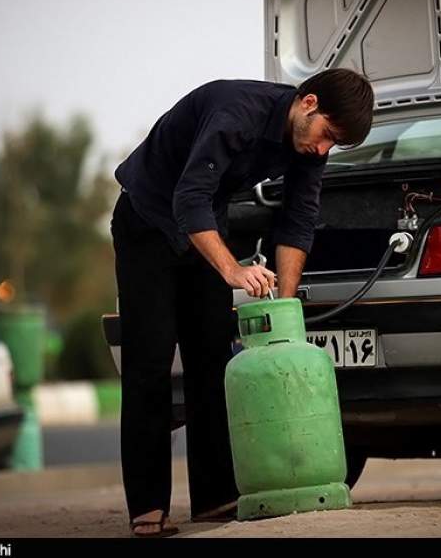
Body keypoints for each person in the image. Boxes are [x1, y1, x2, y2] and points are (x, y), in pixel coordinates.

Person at [111, 68, 374, 537]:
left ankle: (213, 499)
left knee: (213, 362)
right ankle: (148, 507)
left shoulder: (308, 148)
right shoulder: (236, 114)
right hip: (147, 220)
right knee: (149, 363)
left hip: (204, 225)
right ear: (308, 103)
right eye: (327, 136)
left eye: (334, 146)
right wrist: (232, 270)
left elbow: (298, 221)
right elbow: (187, 197)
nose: (323, 150)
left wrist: (285, 311)